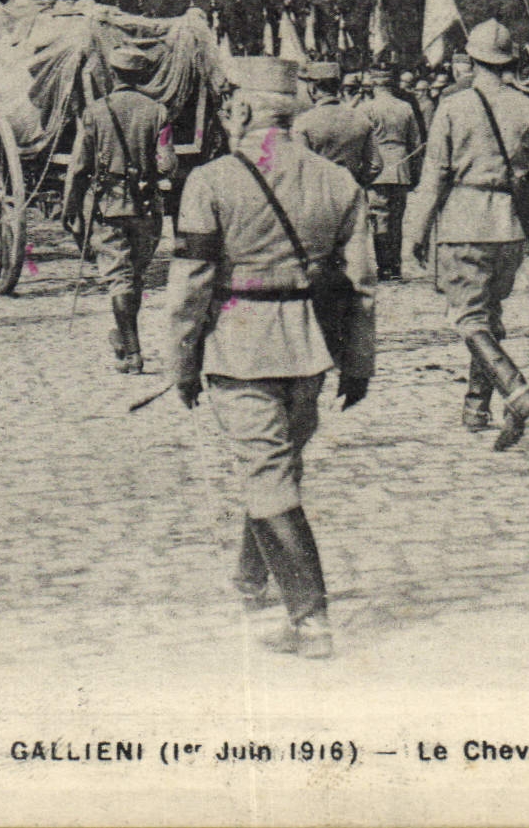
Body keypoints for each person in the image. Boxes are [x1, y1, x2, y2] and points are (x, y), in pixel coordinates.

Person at [170, 56, 375, 659]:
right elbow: (361, 284)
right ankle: (250, 578)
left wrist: (180, 364)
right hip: (310, 350)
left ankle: (310, 622)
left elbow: (190, 285)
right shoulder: (340, 183)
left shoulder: (210, 182)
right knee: (279, 466)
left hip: (240, 348)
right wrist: (358, 365)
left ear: (242, 108)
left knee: (269, 475)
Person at [405, 19, 529, 450]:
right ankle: (475, 406)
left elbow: (433, 178)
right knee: (489, 317)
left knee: (469, 319)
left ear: (471, 60)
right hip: (509, 228)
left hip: (463, 224)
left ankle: (515, 389)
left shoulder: (453, 106)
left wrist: (415, 232)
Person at [61, 45, 175, 369]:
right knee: (134, 276)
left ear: (113, 74)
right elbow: (167, 165)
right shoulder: (158, 112)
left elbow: (80, 165)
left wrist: (70, 206)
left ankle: (133, 351)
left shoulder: (95, 112)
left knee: (119, 278)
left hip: (108, 207)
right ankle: (125, 343)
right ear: (142, 76)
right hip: (146, 208)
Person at [358, 68, 421, 280]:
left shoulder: (367, 108)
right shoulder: (406, 107)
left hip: (377, 167)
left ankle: (384, 266)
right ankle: (396, 266)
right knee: (397, 219)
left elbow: (362, 140)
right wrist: (414, 172)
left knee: (379, 218)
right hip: (401, 167)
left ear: (375, 86)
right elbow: (416, 143)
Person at [292, 61, 381, 188]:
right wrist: (355, 184)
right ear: (339, 87)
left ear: (312, 88)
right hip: (351, 192)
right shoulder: (361, 119)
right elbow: (375, 165)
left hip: (318, 194)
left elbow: (299, 165)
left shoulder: (303, 121)